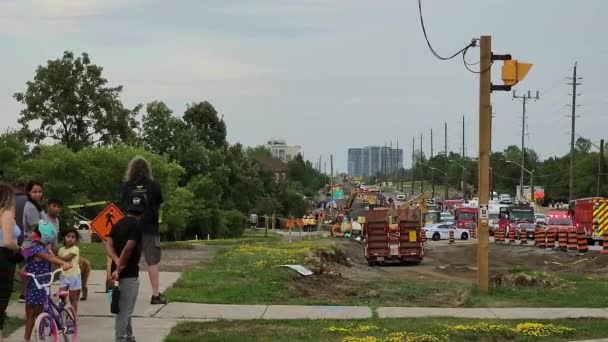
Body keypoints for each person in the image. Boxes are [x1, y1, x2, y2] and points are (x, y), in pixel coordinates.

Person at [121, 157, 165, 305]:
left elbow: (124, 204)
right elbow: (159, 203)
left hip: (131, 227)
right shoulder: (154, 186)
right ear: (148, 169)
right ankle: (155, 295)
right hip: (150, 229)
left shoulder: (127, 186)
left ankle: (124, 293)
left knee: (128, 260)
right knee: (152, 262)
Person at [23, 221, 70, 342]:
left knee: (35, 314)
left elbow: (51, 258)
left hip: (39, 286)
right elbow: (49, 258)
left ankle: (36, 337)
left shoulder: (41, 249)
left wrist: (63, 262)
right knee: (31, 315)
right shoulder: (37, 249)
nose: (33, 233)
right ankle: (30, 338)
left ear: (42, 236)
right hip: (34, 285)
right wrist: (62, 262)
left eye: (36, 232)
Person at [105, 196, 144, 342]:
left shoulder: (117, 224)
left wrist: (116, 261)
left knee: (124, 308)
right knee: (124, 312)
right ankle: (120, 339)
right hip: (127, 273)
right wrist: (120, 267)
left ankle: (130, 337)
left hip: (117, 272)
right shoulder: (137, 226)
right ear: (143, 212)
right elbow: (128, 249)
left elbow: (108, 244)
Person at [0, 183, 21, 342]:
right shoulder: (5, 213)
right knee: (1, 301)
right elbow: (8, 241)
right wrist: (19, 248)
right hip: (4, 258)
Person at [19, 181, 44, 303]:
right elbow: (37, 227)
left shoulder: (36, 205)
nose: (37, 194)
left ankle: (34, 303)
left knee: (36, 277)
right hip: (32, 246)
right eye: (34, 191)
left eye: (39, 191)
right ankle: (30, 304)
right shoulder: (30, 206)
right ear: (28, 192)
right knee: (34, 278)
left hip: (37, 245)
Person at [58, 228, 81, 314]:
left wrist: (53, 258)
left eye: (73, 237)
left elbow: (67, 258)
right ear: (64, 237)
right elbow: (58, 263)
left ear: (76, 239)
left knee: (72, 298)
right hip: (64, 276)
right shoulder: (61, 250)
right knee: (61, 296)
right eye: (68, 236)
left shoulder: (75, 249)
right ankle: (61, 313)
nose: (70, 239)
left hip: (74, 276)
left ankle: (73, 316)